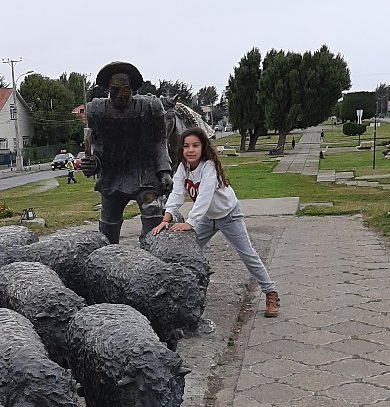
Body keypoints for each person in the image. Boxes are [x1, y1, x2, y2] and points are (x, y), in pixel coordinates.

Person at [152, 127, 280, 318]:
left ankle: (270, 293)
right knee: (188, 252)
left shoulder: (209, 166)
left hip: (229, 215)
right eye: (186, 146)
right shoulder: (182, 168)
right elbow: (177, 193)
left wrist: (190, 223)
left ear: (203, 147)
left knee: (247, 254)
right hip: (206, 218)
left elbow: (204, 196)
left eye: (195, 145)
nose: (190, 150)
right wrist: (166, 219)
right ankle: (182, 295)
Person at [80, 61, 173, 244]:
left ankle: (152, 252)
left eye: (126, 89)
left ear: (133, 89)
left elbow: (160, 141)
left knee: (152, 209)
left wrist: (164, 171)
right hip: (112, 177)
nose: (121, 94)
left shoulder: (150, 107)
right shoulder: (97, 111)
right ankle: (107, 258)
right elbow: (96, 147)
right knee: (107, 226)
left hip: (144, 175)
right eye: (115, 89)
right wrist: (92, 163)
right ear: (107, 89)